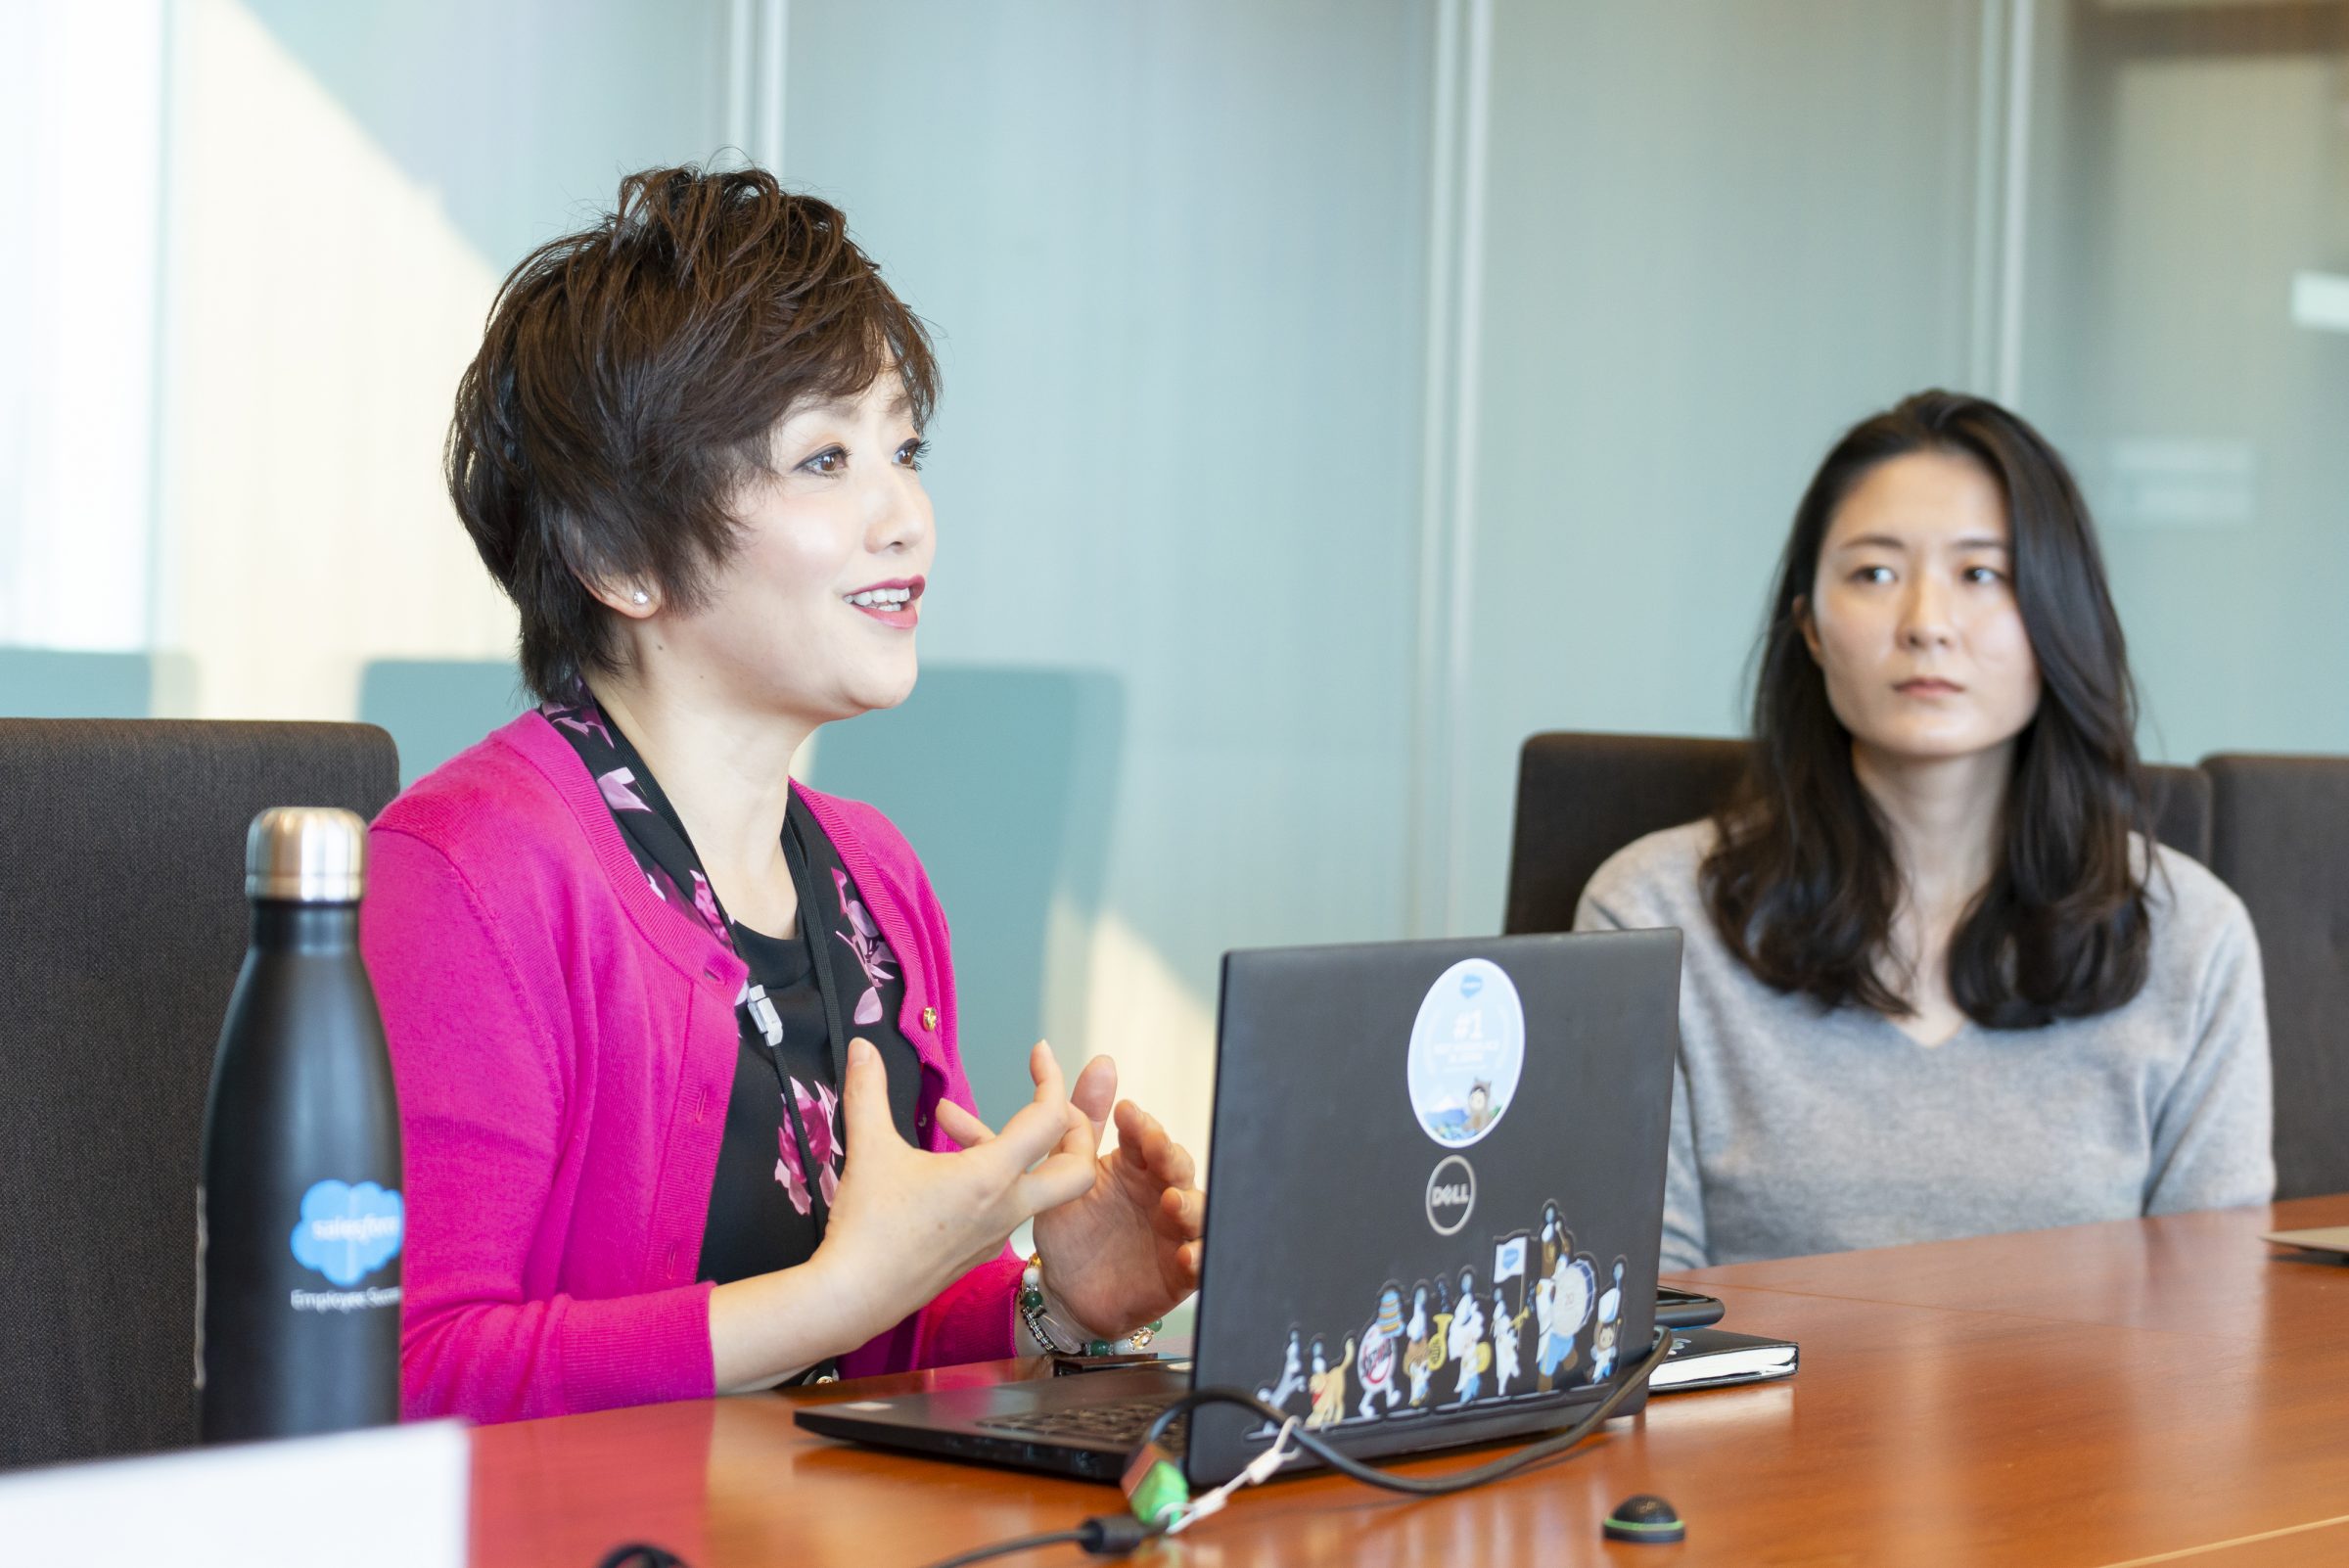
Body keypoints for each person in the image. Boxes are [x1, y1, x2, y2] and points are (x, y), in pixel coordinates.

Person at [360, 166, 1203, 1422]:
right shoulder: (472, 875)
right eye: (825, 458)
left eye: (903, 448)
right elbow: (403, 1383)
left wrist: (1059, 1304)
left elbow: (861, 1349)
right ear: (617, 555)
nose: (907, 516)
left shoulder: (876, 885)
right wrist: (837, 1297)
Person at [1575, 391, 2274, 1272]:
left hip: (2092, 1417)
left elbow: (2211, 1324)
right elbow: (1632, 1312)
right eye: (1874, 574)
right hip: (1752, 1416)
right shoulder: (1650, 913)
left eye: (1982, 575)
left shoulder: (2191, 936)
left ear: (2058, 617)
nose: (1926, 625)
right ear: (1811, 630)